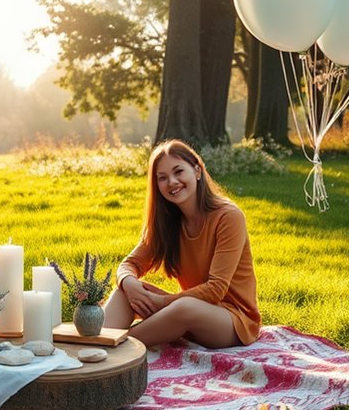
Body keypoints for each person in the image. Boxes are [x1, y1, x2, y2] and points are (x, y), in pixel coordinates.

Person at [103, 139, 260, 349]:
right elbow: (129, 264)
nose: (172, 182)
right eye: (163, 178)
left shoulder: (228, 217)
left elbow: (216, 289)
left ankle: (113, 347)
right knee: (126, 292)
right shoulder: (167, 222)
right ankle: (97, 344)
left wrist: (163, 303)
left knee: (184, 307)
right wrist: (129, 283)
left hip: (232, 322)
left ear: (197, 170)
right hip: (186, 313)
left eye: (179, 172)